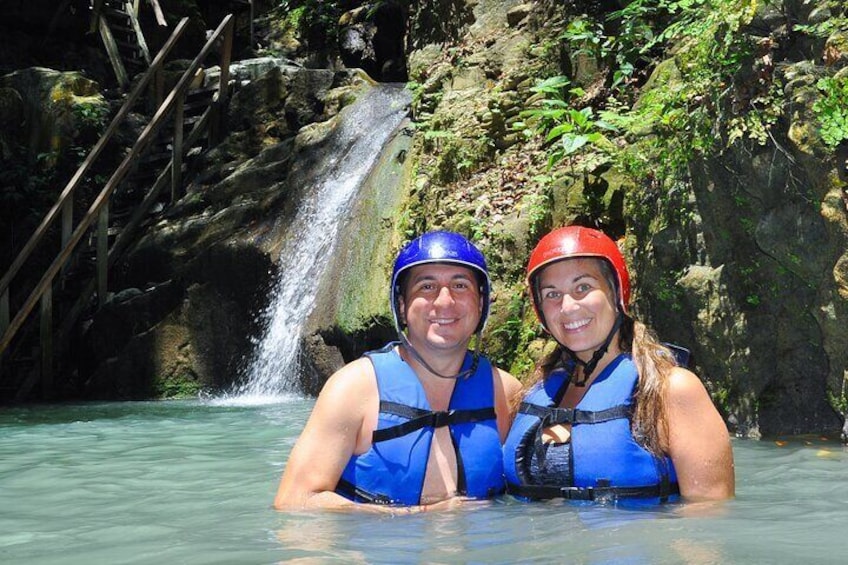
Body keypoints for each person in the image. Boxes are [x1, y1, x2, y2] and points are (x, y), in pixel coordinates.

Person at [274, 230, 522, 511]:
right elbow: (295, 501)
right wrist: (414, 516)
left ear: (481, 303)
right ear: (402, 307)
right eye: (426, 287)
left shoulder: (505, 392)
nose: (444, 301)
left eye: (460, 285)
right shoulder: (354, 388)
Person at [503, 225, 734, 504]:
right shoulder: (539, 392)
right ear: (540, 309)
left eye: (583, 287)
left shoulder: (672, 390)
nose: (567, 307)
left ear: (617, 294)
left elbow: (709, 524)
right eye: (552, 294)